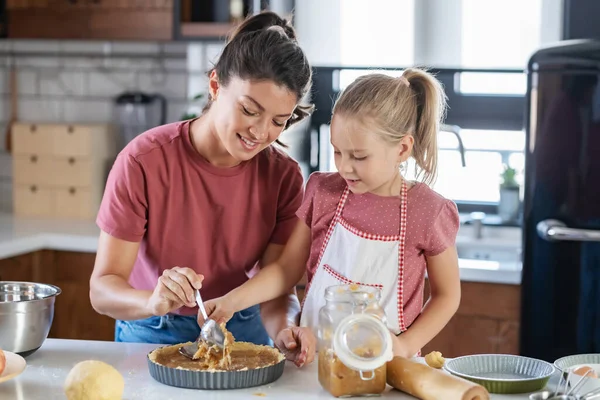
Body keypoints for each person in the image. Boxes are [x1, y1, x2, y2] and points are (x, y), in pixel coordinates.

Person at [89, 11, 316, 367]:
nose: (260, 132)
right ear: (215, 85)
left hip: (245, 331)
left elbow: (277, 288)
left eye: (278, 121)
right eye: (249, 110)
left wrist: (285, 327)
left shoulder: (284, 177)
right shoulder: (143, 161)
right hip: (152, 332)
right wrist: (152, 301)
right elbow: (102, 289)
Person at [201, 68, 462, 360]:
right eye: (338, 151)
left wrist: (404, 345)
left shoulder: (427, 211)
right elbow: (286, 270)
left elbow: (447, 296)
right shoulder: (323, 191)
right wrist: (231, 301)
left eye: (359, 156)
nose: (345, 167)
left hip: (386, 370)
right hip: (314, 363)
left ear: (402, 148)